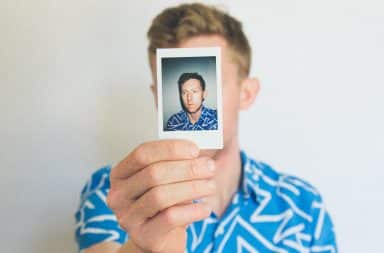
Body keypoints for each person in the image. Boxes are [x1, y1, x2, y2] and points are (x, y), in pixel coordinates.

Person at [75, 3, 338, 253]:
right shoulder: (118, 190)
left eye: (208, 84)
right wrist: (143, 249)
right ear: (159, 98)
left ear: (246, 93)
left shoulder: (302, 206)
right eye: (176, 90)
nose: (189, 98)